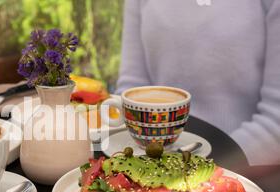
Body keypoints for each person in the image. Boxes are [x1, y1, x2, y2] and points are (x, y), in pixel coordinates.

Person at [116, 0, 280, 166]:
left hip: (244, 169)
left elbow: (276, 122)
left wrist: (200, 169)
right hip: (153, 164)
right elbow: (130, 90)